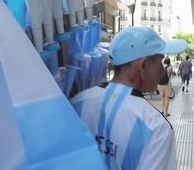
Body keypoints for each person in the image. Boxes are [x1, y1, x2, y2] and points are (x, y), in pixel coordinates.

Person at [71, 27, 181, 170]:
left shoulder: (77, 103)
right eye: (160, 62)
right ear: (143, 65)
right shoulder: (155, 127)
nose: (162, 70)